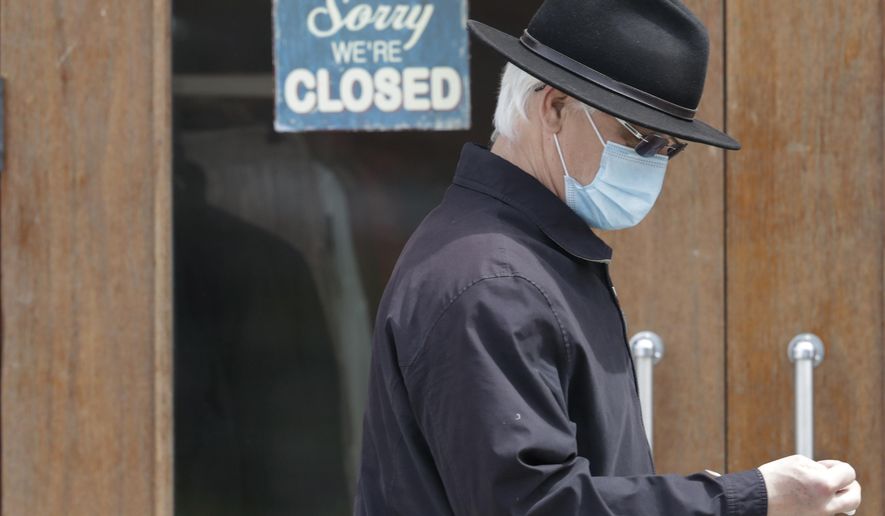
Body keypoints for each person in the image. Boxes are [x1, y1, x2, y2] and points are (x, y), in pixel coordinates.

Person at [353, 0, 862, 514]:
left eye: (672, 148)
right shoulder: (493, 282)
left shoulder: (529, 255)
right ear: (552, 108)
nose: (657, 162)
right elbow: (536, 505)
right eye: (640, 139)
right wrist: (749, 498)